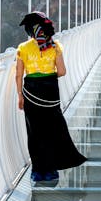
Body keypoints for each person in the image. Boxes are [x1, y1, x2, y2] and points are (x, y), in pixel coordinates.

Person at [16, 10, 87, 182]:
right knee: (53, 130)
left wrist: (20, 96)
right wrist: (48, 75)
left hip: (31, 92)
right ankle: (51, 170)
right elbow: (62, 71)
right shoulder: (55, 47)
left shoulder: (23, 49)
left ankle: (37, 170)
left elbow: (18, 75)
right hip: (50, 92)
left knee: (34, 133)